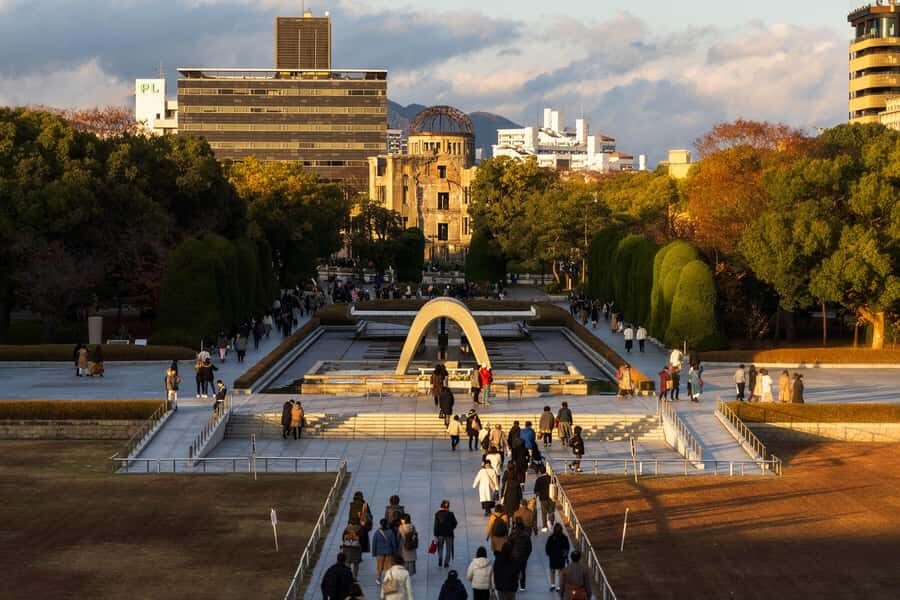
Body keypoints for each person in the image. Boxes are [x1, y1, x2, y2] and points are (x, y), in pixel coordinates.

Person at [509, 518, 533, 592]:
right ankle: (522, 586)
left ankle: (515, 584)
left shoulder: (512, 535)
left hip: (514, 557)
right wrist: (526, 556)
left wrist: (511, 554)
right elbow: (529, 548)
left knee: (514, 571)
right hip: (523, 558)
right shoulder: (526, 536)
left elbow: (508, 545)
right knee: (523, 571)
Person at [545, 523, 570, 592]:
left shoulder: (551, 537)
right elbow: (567, 548)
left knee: (552, 571)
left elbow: (547, 547)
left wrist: (549, 554)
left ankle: (553, 585)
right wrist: (565, 555)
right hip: (561, 557)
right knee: (560, 572)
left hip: (553, 557)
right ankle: (559, 586)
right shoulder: (564, 537)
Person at [434, 500, 458, 568]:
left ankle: (440, 560)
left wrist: (435, 535)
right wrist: (451, 528)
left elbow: (436, 526)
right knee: (448, 549)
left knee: (440, 548)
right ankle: (446, 563)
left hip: (440, 535)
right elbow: (455, 523)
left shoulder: (437, 514)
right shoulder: (451, 514)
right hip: (449, 534)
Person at [372, 519, 397, 584]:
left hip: (379, 552)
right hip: (389, 552)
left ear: (380, 524)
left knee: (379, 566)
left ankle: (378, 578)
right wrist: (395, 552)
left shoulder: (377, 532)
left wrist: (374, 553)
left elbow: (374, 543)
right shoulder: (390, 532)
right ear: (387, 524)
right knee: (388, 566)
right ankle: (387, 578)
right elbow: (393, 543)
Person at [533, 465, 555, 531]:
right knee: (551, 511)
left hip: (542, 498)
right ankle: (550, 522)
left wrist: (536, 496)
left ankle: (545, 526)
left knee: (544, 513)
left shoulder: (538, 480)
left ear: (540, 472)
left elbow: (536, 490)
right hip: (551, 496)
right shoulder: (551, 478)